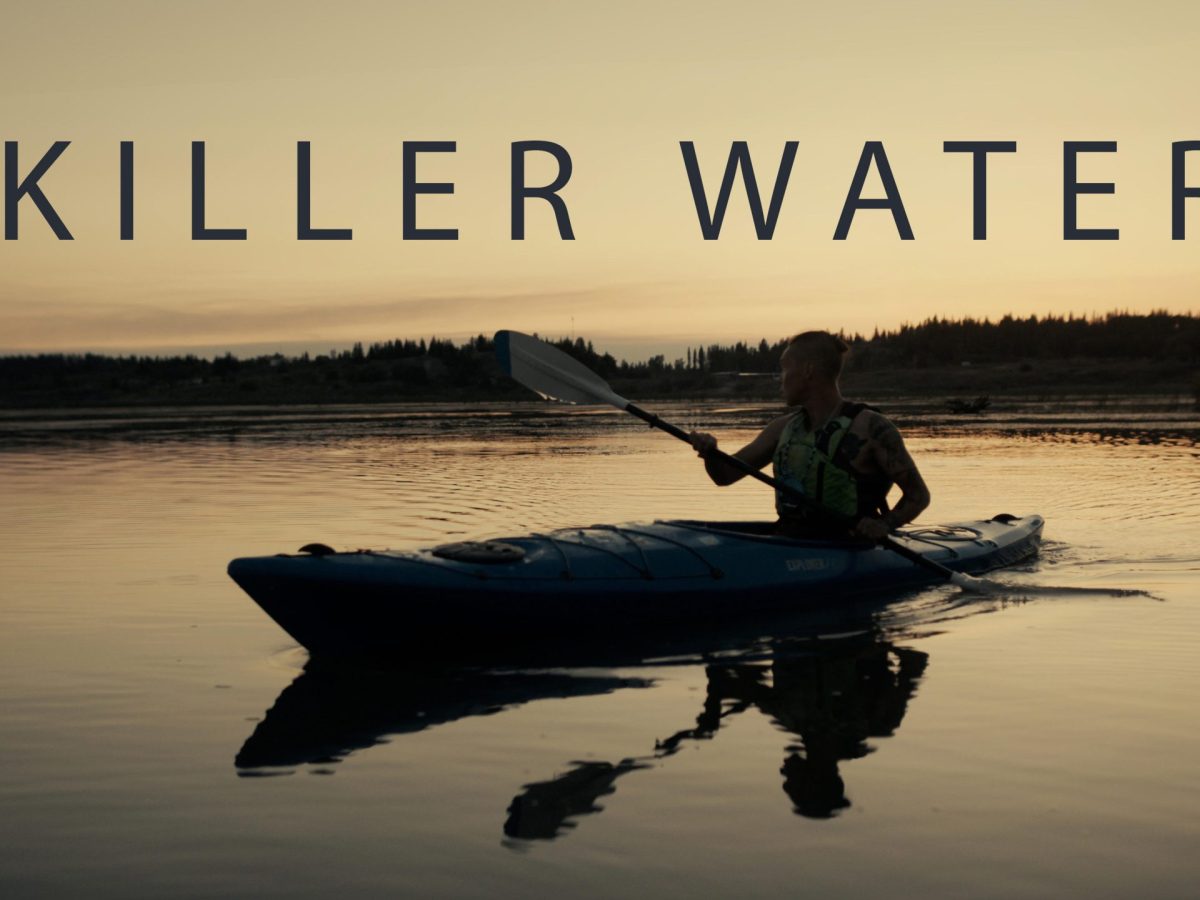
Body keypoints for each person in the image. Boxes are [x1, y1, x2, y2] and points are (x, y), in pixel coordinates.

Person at [688, 331, 930, 541]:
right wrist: (710, 453)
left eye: (784, 368)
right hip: (789, 540)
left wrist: (885, 525)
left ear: (807, 371)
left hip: (849, 546)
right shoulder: (781, 429)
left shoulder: (871, 428)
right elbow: (725, 476)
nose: (780, 379)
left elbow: (918, 496)